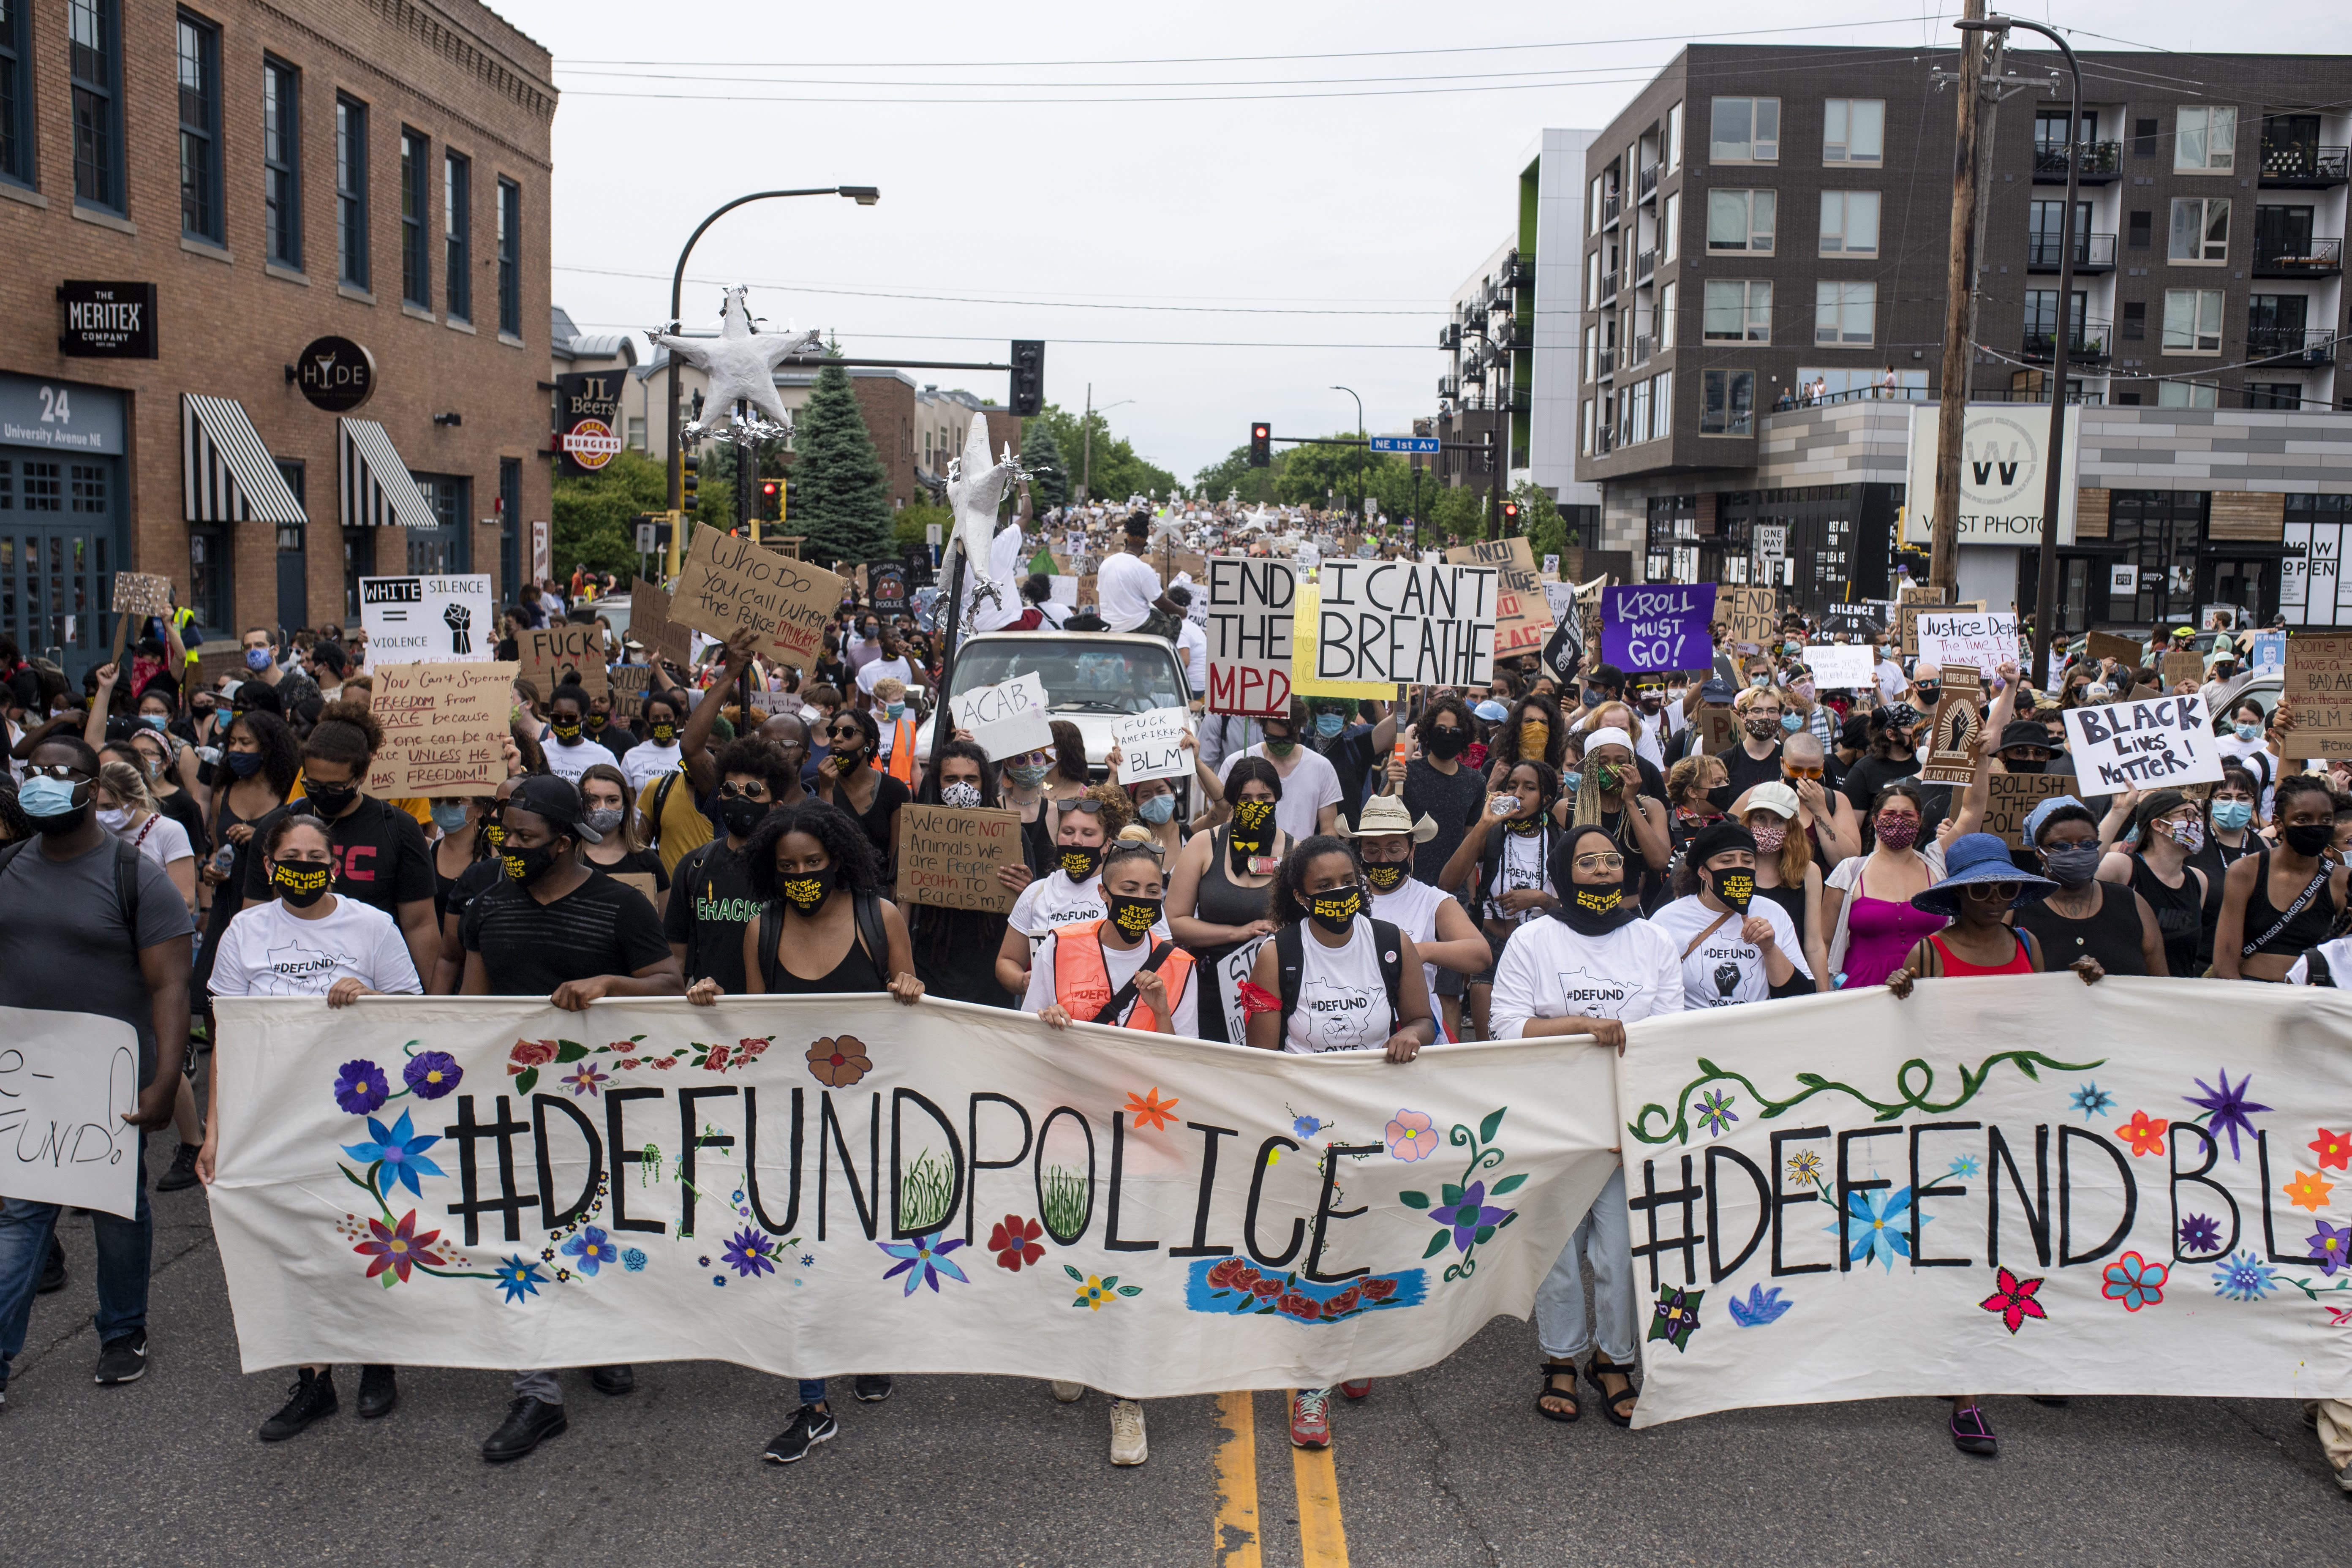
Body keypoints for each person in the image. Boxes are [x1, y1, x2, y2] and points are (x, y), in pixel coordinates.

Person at [688, 800, 919, 1465]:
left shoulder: (881, 919)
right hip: (794, 1124)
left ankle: (867, 1349)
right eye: (787, 867)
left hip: (869, 1121)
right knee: (798, 1254)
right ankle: (813, 1403)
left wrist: (909, 988)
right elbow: (761, 1030)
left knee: (865, 1242)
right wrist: (710, 1008)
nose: (801, 876)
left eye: (812, 863)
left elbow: (914, 1021)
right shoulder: (762, 928)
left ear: (837, 860)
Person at [461, 774, 679, 1460]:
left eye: (524, 837)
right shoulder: (486, 906)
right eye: (505, 833)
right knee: (523, 1232)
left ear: (562, 842)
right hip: (514, 1101)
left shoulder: (620, 905)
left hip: (597, 1100)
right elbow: (471, 1007)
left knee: (593, 1222)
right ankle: (537, 1392)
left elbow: (668, 984)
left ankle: (601, 1338)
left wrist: (610, 984)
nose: (510, 845)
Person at [197, 812, 423, 1439]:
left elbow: (415, 1015)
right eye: (290, 858)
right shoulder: (245, 931)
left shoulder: (372, 926)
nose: (304, 867)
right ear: (270, 866)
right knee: (293, 1244)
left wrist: (371, 999)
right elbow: (229, 1038)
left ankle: (378, 1361)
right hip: (275, 1115)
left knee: (369, 1233)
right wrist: (215, 1131)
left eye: (315, 857)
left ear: (335, 864)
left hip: (362, 1118)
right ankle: (313, 1379)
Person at [1885, 831, 2105, 1459]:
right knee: (1959, 1246)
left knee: (2021, 1236)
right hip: (1952, 1121)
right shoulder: (1928, 952)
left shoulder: (2029, 944)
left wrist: (2080, 983)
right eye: (1981, 889)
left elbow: (2043, 1021)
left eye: (2005, 887)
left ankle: (2023, 1357)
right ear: (1957, 894)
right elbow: (1904, 1043)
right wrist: (1897, 997)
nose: (1994, 899)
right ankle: (1965, 1392)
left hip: (2019, 1114)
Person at [0, 735, 194, 1405]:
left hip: (109, 1077)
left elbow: (171, 986)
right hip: (25, 1076)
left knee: (118, 1209)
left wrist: (166, 1080)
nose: (43, 780)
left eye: (61, 771)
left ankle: (123, 1332)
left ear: (92, 787)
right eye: (34, 771)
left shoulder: (135, 876)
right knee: (23, 1209)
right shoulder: (7, 867)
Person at [1241, 833, 1435, 1446]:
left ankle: (1354, 1349)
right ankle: (1312, 1386)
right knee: (1320, 1254)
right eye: (1323, 887)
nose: (1338, 894)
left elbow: (1423, 1019)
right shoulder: (1278, 954)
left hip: (1377, 1123)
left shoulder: (1392, 944)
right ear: (1301, 897)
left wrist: (1411, 1036)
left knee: (1368, 1242)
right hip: (1309, 1130)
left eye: (1346, 882)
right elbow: (1265, 1057)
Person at [1489, 822, 1683, 1426]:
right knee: (1557, 1251)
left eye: (1610, 861)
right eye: (1587, 861)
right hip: (1552, 1119)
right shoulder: (1533, 941)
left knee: (1620, 1253)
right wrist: (1580, 1025)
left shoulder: (1653, 940)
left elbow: (1669, 1034)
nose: (1602, 870)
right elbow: (1505, 1027)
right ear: (1563, 873)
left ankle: (1614, 1359)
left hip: (1625, 1123)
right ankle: (1560, 1359)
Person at [239, 701, 440, 1002]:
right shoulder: (277, 828)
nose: (322, 794)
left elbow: (420, 925)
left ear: (362, 774)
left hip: (368, 983)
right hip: (286, 983)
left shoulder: (399, 830)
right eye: (312, 784)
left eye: (335, 787)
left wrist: (435, 1004)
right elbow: (254, 915)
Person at [664, 738, 797, 998]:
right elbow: (676, 957)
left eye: (753, 791)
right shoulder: (694, 866)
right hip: (711, 1010)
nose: (740, 797)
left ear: (775, 806)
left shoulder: (790, 868)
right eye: (730, 789)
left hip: (775, 1011)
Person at [1165, 758, 1285, 1044]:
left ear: (1277, 799)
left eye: (1264, 798)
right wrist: (1237, 932)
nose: (1255, 805)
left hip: (1274, 986)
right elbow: (1175, 922)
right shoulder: (1203, 844)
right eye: (1246, 799)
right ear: (1232, 801)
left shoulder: (1294, 851)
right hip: (1210, 987)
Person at [997, 787, 1157, 996]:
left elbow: (1162, 961)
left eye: (1088, 834)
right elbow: (1007, 961)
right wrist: (1023, 982)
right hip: (1047, 1011)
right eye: (1068, 832)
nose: (1076, 841)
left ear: (1107, 844)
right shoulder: (1036, 893)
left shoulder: (1131, 893)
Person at [908, 740, 1033, 1007]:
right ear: (937, 783)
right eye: (951, 779)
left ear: (984, 783)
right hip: (929, 969)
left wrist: (1027, 892)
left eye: (971, 779)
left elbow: (1031, 907)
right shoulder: (918, 831)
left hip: (989, 974)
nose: (961, 787)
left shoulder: (1012, 835)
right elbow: (903, 898)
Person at [1351, 795, 1489, 1026]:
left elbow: (1481, 955)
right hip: (1356, 1024)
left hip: (1414, 1025)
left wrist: (1418, 951)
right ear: (1360, 850)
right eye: (1373, 851)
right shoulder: (1343, 898)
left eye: (1394, 850)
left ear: (1412, 849)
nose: (1384, 860)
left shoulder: (1431, 900)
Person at [1649, 820, 1809, 1006]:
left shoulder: (1773, 912)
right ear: (1703, 872)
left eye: (1747, 861)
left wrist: (1770, 949)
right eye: (1727, 861)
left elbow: (1802, 996)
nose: (1739, 868)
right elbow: (1648, 990)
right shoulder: (1668, 920)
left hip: (1758, 1022)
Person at [2215, 773, 2350, 981]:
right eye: (2303, 819)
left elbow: (2345, 959)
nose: (2316, 826)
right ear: (2279, 823)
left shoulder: (2341, 879)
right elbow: (2224, 964)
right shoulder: (2246, 871)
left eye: (2326, 820)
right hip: (2250, 991)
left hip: (2313, 995)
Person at [2012, 797, 2166, 976]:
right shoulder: (2017, 909)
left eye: (2087, 844)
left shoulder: (2133, 903)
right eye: (2062, 846)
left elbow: (2161, 984)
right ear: (2040, 853)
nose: (2076, 851)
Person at [1822, 782, 1948, 990]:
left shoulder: (1937, 868)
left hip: (1929, 992)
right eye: (1890, 814)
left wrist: (1979, 764)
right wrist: (1821, 994)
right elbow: (1823, 942)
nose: (1898, 820)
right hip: (1861, 994)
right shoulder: (1849, 872)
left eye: (1907, 815)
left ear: (1919, 821)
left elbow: (1972, 811)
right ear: (1875, 820)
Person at [2095, 789, 2209, 980]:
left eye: (2198, 816)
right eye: (2188, 814)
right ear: (2159, 825)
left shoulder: (2198, 881)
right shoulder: (2123, 867)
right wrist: (2118, 812)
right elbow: (2083, 869)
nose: (2197, 823)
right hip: (2129, 992)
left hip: (2178, 993)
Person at [1737, 783, 1830, 989]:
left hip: (1789, 979)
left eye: (1779, 820)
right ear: (1748, 821)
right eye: (1760, 818)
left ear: (1792, 827)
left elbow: (1814, 944)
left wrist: (1823, 996)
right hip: (1743, 979)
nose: (1768, 827)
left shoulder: (1809, 872)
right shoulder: (1733, 867)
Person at [814, 705, 910, 880]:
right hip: (832, 889)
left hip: (877, 890)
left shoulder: (894, 791)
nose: (837, 739)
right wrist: (826, 789)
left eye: (848, 733)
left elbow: (898, 864)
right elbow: (821, 846)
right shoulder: (815, 786)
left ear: (869, 745)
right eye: (833, 732)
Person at [577, 763, 670, 914]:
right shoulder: (568, 859)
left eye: (612, 800)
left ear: (625, 804)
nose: (602, 807)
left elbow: (664, 919)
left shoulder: (648, 861)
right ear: (581, 803)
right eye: (593, 800)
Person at [1245, 701, 1342, 841]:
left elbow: (1329, 831)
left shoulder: (1322, 767)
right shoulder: (1240, 762)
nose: (1281, 745)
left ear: (1299, 730)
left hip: (1301, 854)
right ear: (1262, 727)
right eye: (1274, 739)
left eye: (1288, 739)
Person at [539, 684, 607, 784]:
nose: (563, 721)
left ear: (584, 720)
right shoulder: (539, 751)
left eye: (570, 717)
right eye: (557, 717)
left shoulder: (603, 757)